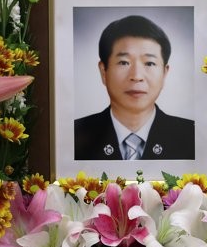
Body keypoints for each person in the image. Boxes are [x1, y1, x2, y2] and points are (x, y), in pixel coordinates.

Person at [74, 15, 194, 160]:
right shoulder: (74, 136)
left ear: (164, 73)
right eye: (124, 62)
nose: (136, 76)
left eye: (149, 63)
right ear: (103, 71)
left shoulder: (192, 136)